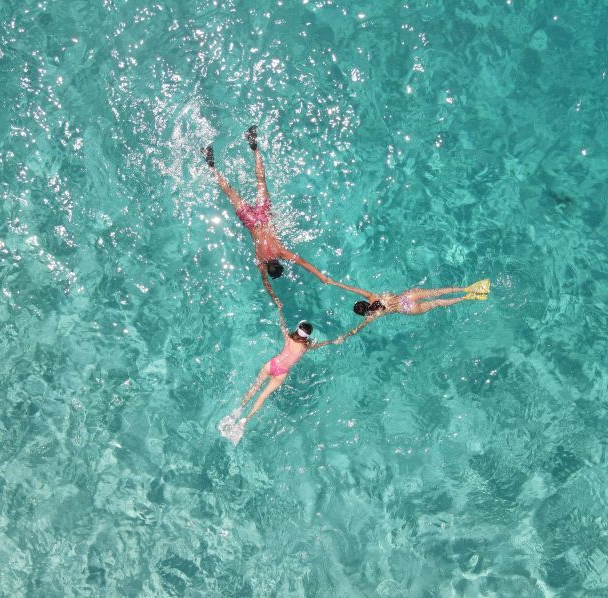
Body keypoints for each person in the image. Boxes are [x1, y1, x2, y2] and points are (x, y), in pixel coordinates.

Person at [202, 126, 342, 292]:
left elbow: (304, 263)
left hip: (263, 215)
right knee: (230, 192)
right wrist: (275, 300)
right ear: (269, 267)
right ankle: (211, 166)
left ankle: (254, 147)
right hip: (251, 221)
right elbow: (265, 283)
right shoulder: (261, 260)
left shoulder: (281, 252)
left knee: (261, 181)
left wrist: (322, 277)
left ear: (279, 263)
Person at [217, 294, 349, 445]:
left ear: (298, 330)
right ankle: (244, 421)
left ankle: (239, 409)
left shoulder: (289, 338)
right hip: (281, 373)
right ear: (307, 336)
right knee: (263, 395)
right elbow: (322, 344)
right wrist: (334, 340)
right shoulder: (306, 346)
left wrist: (280, 309)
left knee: (255, 386)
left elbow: (282, 323)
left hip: (272, 364)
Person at [331, 278, 491, 339]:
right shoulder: (372, 296)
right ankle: (467, 288)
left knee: (437, 303)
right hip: (406, 297)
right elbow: (353, 288)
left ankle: (467, 297)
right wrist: (336, 284)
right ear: (364, 302)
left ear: (365, 311)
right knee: (438, 292)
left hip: (407, 308)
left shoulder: (373, 315)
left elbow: (359, 328)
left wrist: (346, 335)